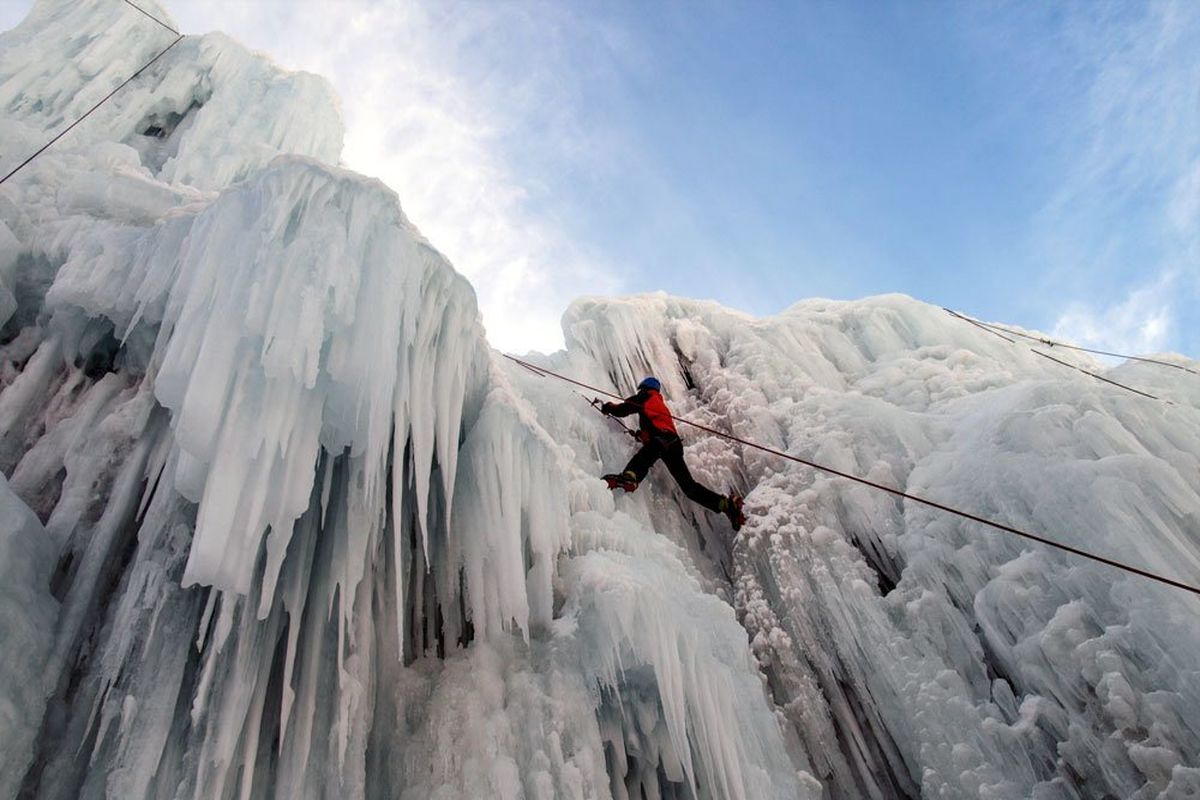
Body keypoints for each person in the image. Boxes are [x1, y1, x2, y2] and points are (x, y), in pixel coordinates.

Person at [600, 376, 745, 531]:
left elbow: (625, 409)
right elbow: (655, 426)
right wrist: (642, 435)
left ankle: (630, 476)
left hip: (661, 439)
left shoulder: (646, 395)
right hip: (673, 444)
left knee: (644, 457)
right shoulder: (659, 404)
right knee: (689, 487)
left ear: (644, 388)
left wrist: (608, 407)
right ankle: (724, 504)